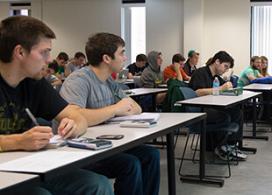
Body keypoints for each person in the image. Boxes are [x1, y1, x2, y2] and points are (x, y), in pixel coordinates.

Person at [0, 16, 113, 195]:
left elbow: (77, 117)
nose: (49, 59)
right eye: (44, 52)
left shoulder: (34, 82)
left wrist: (74, 125)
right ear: (20, 52)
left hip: (27, 165)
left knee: (97, 184)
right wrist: (17, 141)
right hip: (5, 173)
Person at [60, 33, 160, 195]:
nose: (125, 58)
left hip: (106, 143)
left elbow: (135, 107)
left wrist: (117, 109)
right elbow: (73, 115)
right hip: (80, 151)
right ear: (107, 58)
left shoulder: (108, 81)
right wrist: (114, 110)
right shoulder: (78, 80)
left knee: (151, 154)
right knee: (130, 163)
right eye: (121, 53)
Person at [189, 51, 246, 160]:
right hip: (198, 110)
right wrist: (220, 88)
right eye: (225, 66)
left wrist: (229, 88)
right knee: (224, 117)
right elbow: (197, 92)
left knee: (237, 113)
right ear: (217, 61)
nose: (225, 70)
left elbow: (222, 90)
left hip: (211, 107)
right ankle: (220, 147)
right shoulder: (200, 73)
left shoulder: (215, 76)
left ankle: (231, 145)